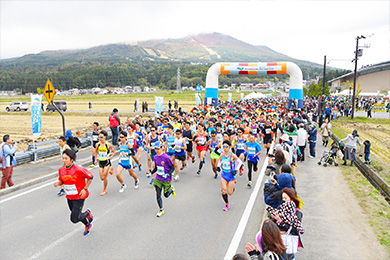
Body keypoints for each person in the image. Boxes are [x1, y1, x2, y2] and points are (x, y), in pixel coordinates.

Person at [54, 149, 94, 236]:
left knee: (74, 219)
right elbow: (62, 181)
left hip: (79, 196)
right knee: (77, 215)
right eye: (63, 158)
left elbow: (90, 177)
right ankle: (88, 225)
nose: (63, 160)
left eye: (66, 159)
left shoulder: (78, 169)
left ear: (72, 160)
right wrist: (58, 183)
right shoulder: (61, 170)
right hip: (69, 197)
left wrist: (85, 188)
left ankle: (87, 213)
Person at [266, 188, 304, 260]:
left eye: (286, 198)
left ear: (292, 199)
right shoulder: (280, 209)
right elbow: (273, 222)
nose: (284, 200)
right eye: (283, 198)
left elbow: (294, 229)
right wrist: (274, 218)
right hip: (277, 240)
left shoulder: (297, 213)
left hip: (287, 241)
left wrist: (281, 221)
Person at [151, 141, 176, 217]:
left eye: (158, 148)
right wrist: (151, 172)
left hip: (166, 179)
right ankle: (161, 209)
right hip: (158, 179)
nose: (157, 150)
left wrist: (168, 174)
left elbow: (172, 167)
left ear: (162, 148)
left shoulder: (166, 157)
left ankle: (171, 190)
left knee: (166, 195)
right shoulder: (155, 157)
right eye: (155, 149)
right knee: (158, 195)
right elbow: (156, 168)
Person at [217, 140, 239, 211]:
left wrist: (236, 170)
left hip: (231, 176)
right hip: (224, 175)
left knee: (230, 193)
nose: (225, 148)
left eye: (226, 147)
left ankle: (232, 188)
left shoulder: (232, 155)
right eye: (223, 147)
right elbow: (220, 162)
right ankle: (226, 204)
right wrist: (218, 166)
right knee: (223, 191)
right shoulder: (222, 155)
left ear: (229, 147)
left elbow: (240, 162)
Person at [93, 130, 116, 196]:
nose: (100, 138)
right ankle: (109, 171)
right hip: (100, 162)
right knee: (101, 178)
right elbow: (96, 152)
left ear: (105, 137)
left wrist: (111, 156)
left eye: (101, 137)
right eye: (99, 136)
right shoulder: (97, 144)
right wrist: (95, 160)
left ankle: (104, 189)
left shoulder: (108, 144)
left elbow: (114, 152)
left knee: (104, 177)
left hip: (107, 162)